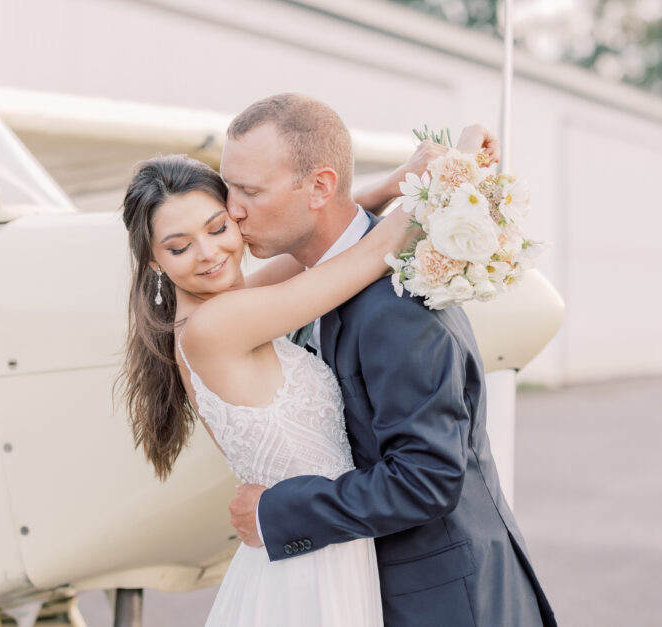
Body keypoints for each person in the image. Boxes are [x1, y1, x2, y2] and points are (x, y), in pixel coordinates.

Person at [223, 93, 557, 627]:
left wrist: (277, 512)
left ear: (320, 187)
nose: (232, 209)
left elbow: (427, 478)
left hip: (447, 605)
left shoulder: (394, 306)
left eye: (249, 191)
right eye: (228, 187)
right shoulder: (326, 282)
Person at [120, 151, 426, 626]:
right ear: (154, 262)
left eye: (218, 228)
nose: (208, 253)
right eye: (179, 247)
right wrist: (450, 171)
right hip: (309, 572)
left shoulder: (222, 308)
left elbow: (319, 243)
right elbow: (370, 252)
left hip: (312, 551)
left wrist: (390, 185)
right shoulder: (218, 324)